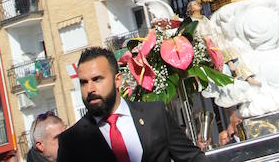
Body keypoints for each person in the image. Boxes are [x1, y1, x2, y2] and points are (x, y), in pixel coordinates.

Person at [57, 47, 205, 162]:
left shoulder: (154, 115)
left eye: (97, 79)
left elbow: (192, 157)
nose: (89, 89)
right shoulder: (71, 141)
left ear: (118, 80)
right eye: (83, 82)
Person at [186, 0, 260, 85]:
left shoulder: (204, 18)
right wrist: (206, 40)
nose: (198, 4)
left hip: (215, 41)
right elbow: (196, 35)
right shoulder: (191, 20)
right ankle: (229, 62)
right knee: (218, 43)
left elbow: (213, 30)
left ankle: (248, 77)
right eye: (194, 4)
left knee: (227, 46)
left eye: (197, 3)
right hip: (205, 44)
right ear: (190, 9)